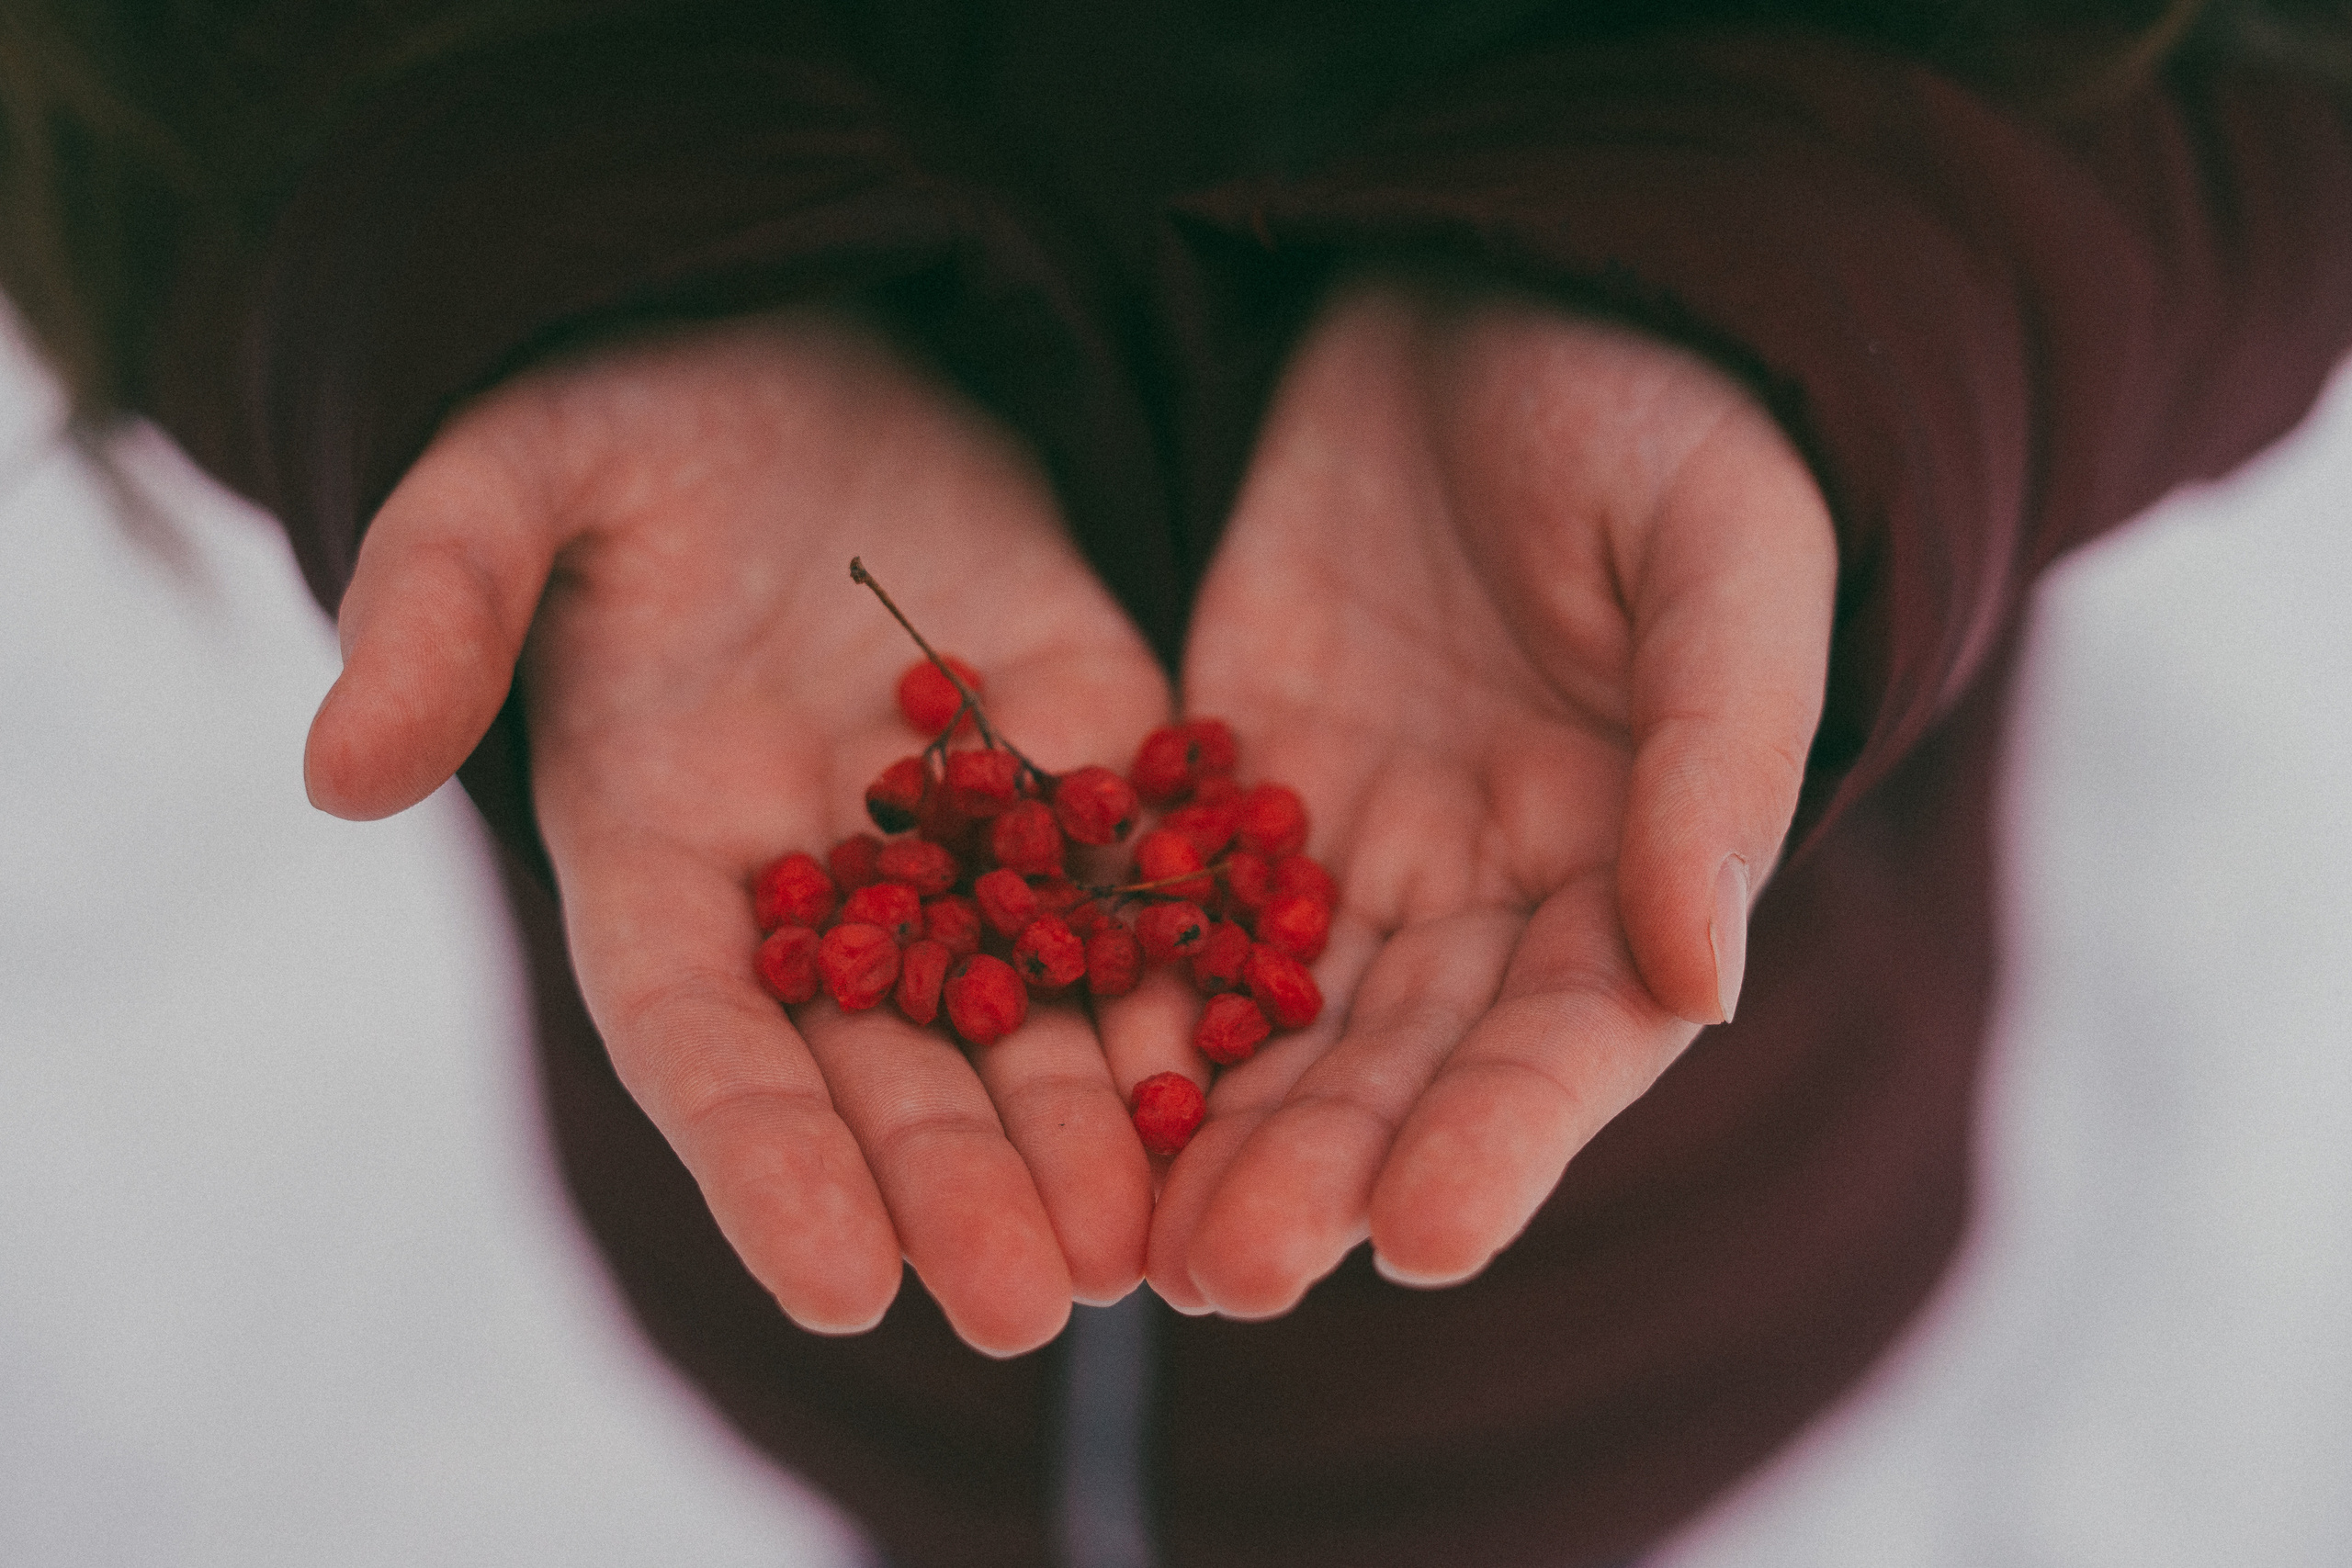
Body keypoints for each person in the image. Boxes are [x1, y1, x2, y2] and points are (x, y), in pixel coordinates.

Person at [5, 2, 2349, 1563]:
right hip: (845, 1290)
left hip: (1656, 1249)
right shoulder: (884, 886)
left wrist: (1821, 275)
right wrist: (513, 230)